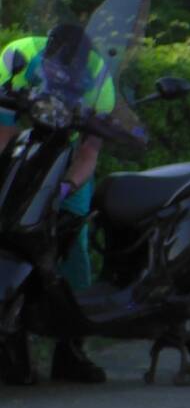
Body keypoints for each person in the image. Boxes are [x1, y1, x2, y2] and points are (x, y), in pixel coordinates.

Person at [0, 24, 115, 384]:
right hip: (18, 148)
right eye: (54, 73)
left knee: (72, 240)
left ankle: (71, 351)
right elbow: (2, 134)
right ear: (45, 59)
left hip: (69, 157)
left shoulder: (101, 80)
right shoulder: (16, 57)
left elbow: (89, 153)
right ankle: (13, 341)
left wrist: (65, 189)